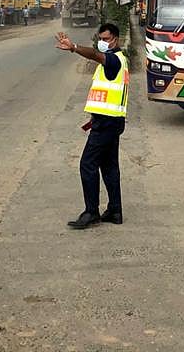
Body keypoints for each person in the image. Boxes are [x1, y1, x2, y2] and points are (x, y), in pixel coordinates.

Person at [56, 22, 129, 229]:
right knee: (109, 166)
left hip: (107, 123)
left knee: (87, 164)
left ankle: (91, 212)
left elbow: (96, 55)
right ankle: (115, 211)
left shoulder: (114, 60)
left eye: (106, 39)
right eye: (101, 39)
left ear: (116, 39)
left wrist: (74, 47)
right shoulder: (120, 61)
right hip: (109, 120)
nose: (103, 43)